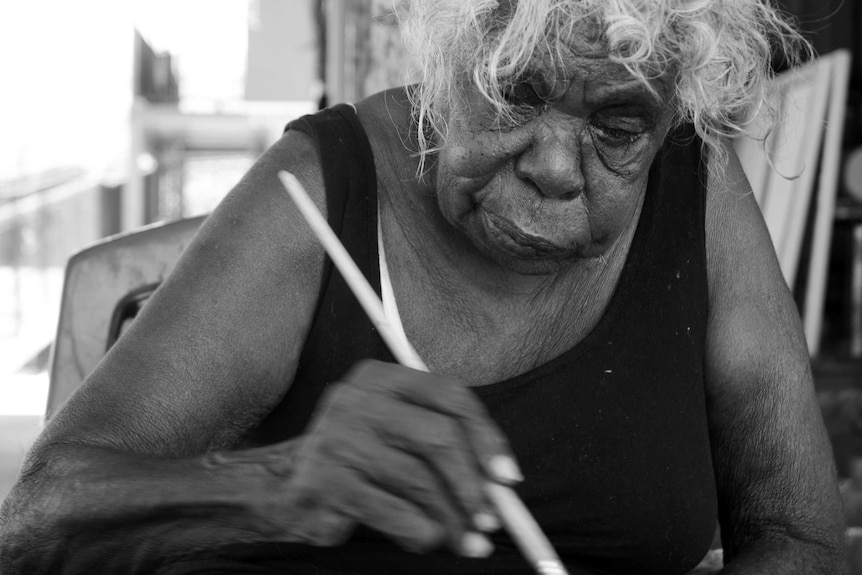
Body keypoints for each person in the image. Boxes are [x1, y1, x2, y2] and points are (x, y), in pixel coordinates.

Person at [0, 0, 846, 573]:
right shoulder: (318, 189)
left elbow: (796, 530)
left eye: (617, 126)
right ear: (446, 64)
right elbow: (36, 522)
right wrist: (278, 488)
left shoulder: (698, 191)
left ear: (669, 118)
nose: (555, 166)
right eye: (514, 96)